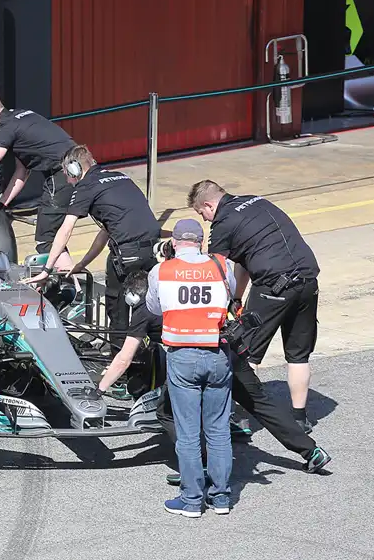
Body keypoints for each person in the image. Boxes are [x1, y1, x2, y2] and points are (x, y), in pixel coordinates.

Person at [106, 270, 332, 486]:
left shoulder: (143, 311)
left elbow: (124, 359)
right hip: (229, 352)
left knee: (167, 413)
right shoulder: (181, 296)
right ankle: (311, 451)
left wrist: (100, 388)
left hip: (196, 361)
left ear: (133, 297)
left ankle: (199, 467)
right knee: (260, 404)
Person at [188, 180, 320, 433]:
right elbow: (246, 261)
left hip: (274, 287)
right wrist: (236, 298)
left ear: (208, 204)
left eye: (201, 213)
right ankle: (300, 419)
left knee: (245, 352)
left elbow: (216, 269)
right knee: (298, 355)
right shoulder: (258, 200)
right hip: (307, 280)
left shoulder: (223, 223)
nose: (204, 220)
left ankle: (241, 419)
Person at [23, 144, 161, 357]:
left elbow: (64, 230)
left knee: (117, 311)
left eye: (68, 175)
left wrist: (46, 270)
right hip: (153, 250)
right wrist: (82, 264)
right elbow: (106, 231)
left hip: (127, 254)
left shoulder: (86, 186)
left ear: (75, 170)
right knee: (149, 306)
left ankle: (120, 370)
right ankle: (156, 356)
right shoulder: (120, 177)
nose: (68, 181)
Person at [146, 218, 235, 517]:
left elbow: (153, 307)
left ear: (173, 243)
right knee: (219, 430)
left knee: (187, 432)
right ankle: (221, 497)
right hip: (217, 352)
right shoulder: (222, 265)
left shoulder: (161, 270)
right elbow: (232, 294)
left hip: (182, 355)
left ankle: (192, 499)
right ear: (201, 241)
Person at [0, 90, 76, 271]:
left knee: (47, 239)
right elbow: (22, 171)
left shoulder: (6, 127)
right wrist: (2, 204)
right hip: (80, 167)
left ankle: (76, 288)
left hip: (63, 174)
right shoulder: (22, 116)